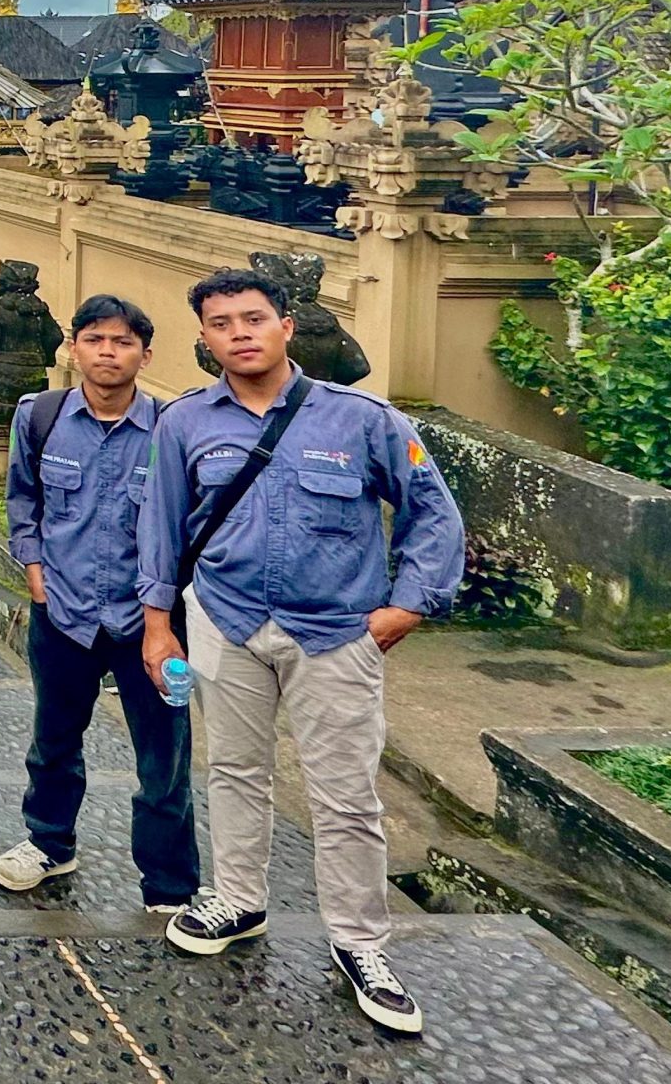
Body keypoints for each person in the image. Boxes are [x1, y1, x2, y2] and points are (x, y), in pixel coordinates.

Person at [141, 267, 464, 1036]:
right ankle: (238, 899)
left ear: (285, 326)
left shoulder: (362, 419)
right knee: (233, 770)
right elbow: (161, 522)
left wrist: (406, 607)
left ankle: (360, 942)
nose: (239, 334)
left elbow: (432, 510)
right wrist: (158, 624)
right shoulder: (184, 422)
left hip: (336, 631)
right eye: (221, 323)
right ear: (204, 338)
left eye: (253, 318)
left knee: (345, 794)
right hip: (226, 621)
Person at [0, 294, 197, 915]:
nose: (108, 352)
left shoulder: (171, 429)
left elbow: (187, 522)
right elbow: (23, 501)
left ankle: (169, 884)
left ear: (145, 355)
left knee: (163, 756)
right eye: (95, 339)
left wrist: (167, 609)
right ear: (74, 347)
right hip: (64, 612)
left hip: (150, 622)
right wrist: (35, 576)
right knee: (53, 740)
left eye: (123, 342)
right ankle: (49, 843)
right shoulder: (40, 417)